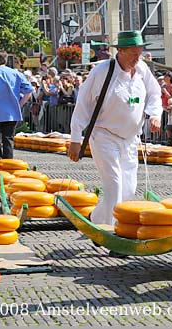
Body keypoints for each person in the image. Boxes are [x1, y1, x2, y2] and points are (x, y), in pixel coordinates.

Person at [67, 30, 162, 229]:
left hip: (130, 139)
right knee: (114, 185)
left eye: (140, 53)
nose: (137, 58)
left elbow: (154, 93)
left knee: (129, 188)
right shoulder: (102, 72)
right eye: (133, 54)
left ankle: (97, 219)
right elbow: (83, 103)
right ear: (120, 51)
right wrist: (75, 138)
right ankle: (114, 230)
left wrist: (154, 114)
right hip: (104, 136)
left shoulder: (143, 70)